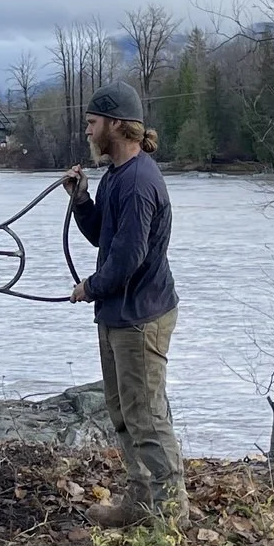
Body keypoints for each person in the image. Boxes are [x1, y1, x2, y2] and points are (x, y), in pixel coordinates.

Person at [62, 80, 183, 523]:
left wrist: (89, 287)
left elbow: (126, 261)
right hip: (120, 314)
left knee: (146, 417)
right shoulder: (118, 176)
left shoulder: (138, 184)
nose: (88, 132)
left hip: (140, 318)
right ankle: (139, 504)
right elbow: (105, 239)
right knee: (123, 413)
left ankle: (171, 517)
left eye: (93, 123)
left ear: (115, 124)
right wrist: (81, 200)